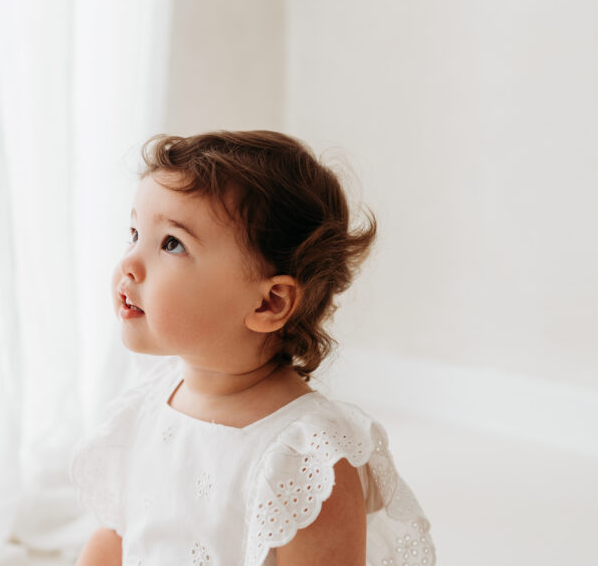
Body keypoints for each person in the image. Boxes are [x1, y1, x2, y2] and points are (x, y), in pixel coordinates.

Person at [70, 131, 435, 566]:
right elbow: (117, 539)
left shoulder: (306, 457)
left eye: (172, 243)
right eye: (133, 233)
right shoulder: (148, 407)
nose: (128, 263)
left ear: (269, 302)